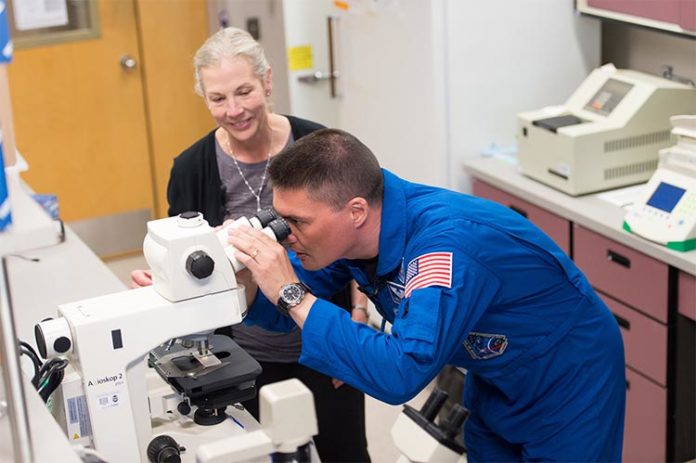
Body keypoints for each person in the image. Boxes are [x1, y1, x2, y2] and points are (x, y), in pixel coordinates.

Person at [226, 128, 627, 462]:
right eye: (281, 220)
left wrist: (290, 291)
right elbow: (282, 310)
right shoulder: (349, 239)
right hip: (494, 372)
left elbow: (402, 370)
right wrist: (244, 277)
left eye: (296, 222)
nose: (286, 234)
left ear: (356, 211)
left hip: (568, 376)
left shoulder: (444, 249)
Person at [131, 28, 371, 463]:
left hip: (324, 337)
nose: (234, 110)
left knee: (346, 453)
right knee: (263, 453)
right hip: (245, 352)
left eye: (244, 91)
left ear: (267, 81)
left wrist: (355, 321)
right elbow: (182, 257)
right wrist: (161, 280)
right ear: (203, 97)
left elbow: (358, 244)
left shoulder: (321, 147)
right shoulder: (191, 168)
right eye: (218, 98)